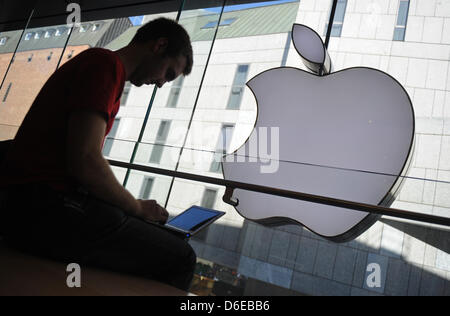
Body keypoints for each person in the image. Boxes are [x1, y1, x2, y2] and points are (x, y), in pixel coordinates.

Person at [0, 17, 196, 291]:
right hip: (41, 207)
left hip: (28, 202)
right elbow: (85, 161)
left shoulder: (103, 69)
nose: (163, 83)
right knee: (182, 257)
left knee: (135, 224)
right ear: (159, 45)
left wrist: (131, 205)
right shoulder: (104, 66)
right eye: (169, 73)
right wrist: (135, 207)